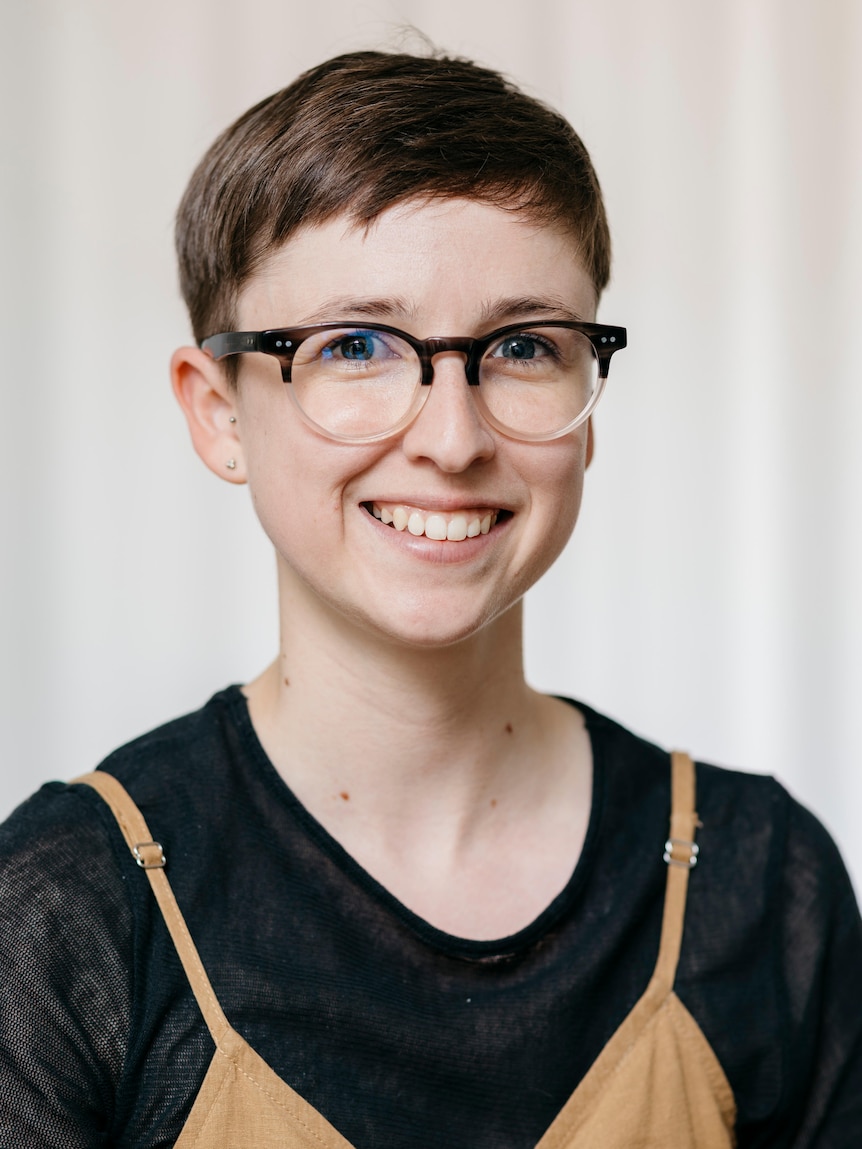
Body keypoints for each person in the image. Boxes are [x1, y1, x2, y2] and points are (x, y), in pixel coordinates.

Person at [1, 48, 860, 1149]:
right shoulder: (71, 906)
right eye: (354, 346)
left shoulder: (759, 880)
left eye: (521, 347)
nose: (452, 439)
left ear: (587, 407)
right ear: (216, 412)